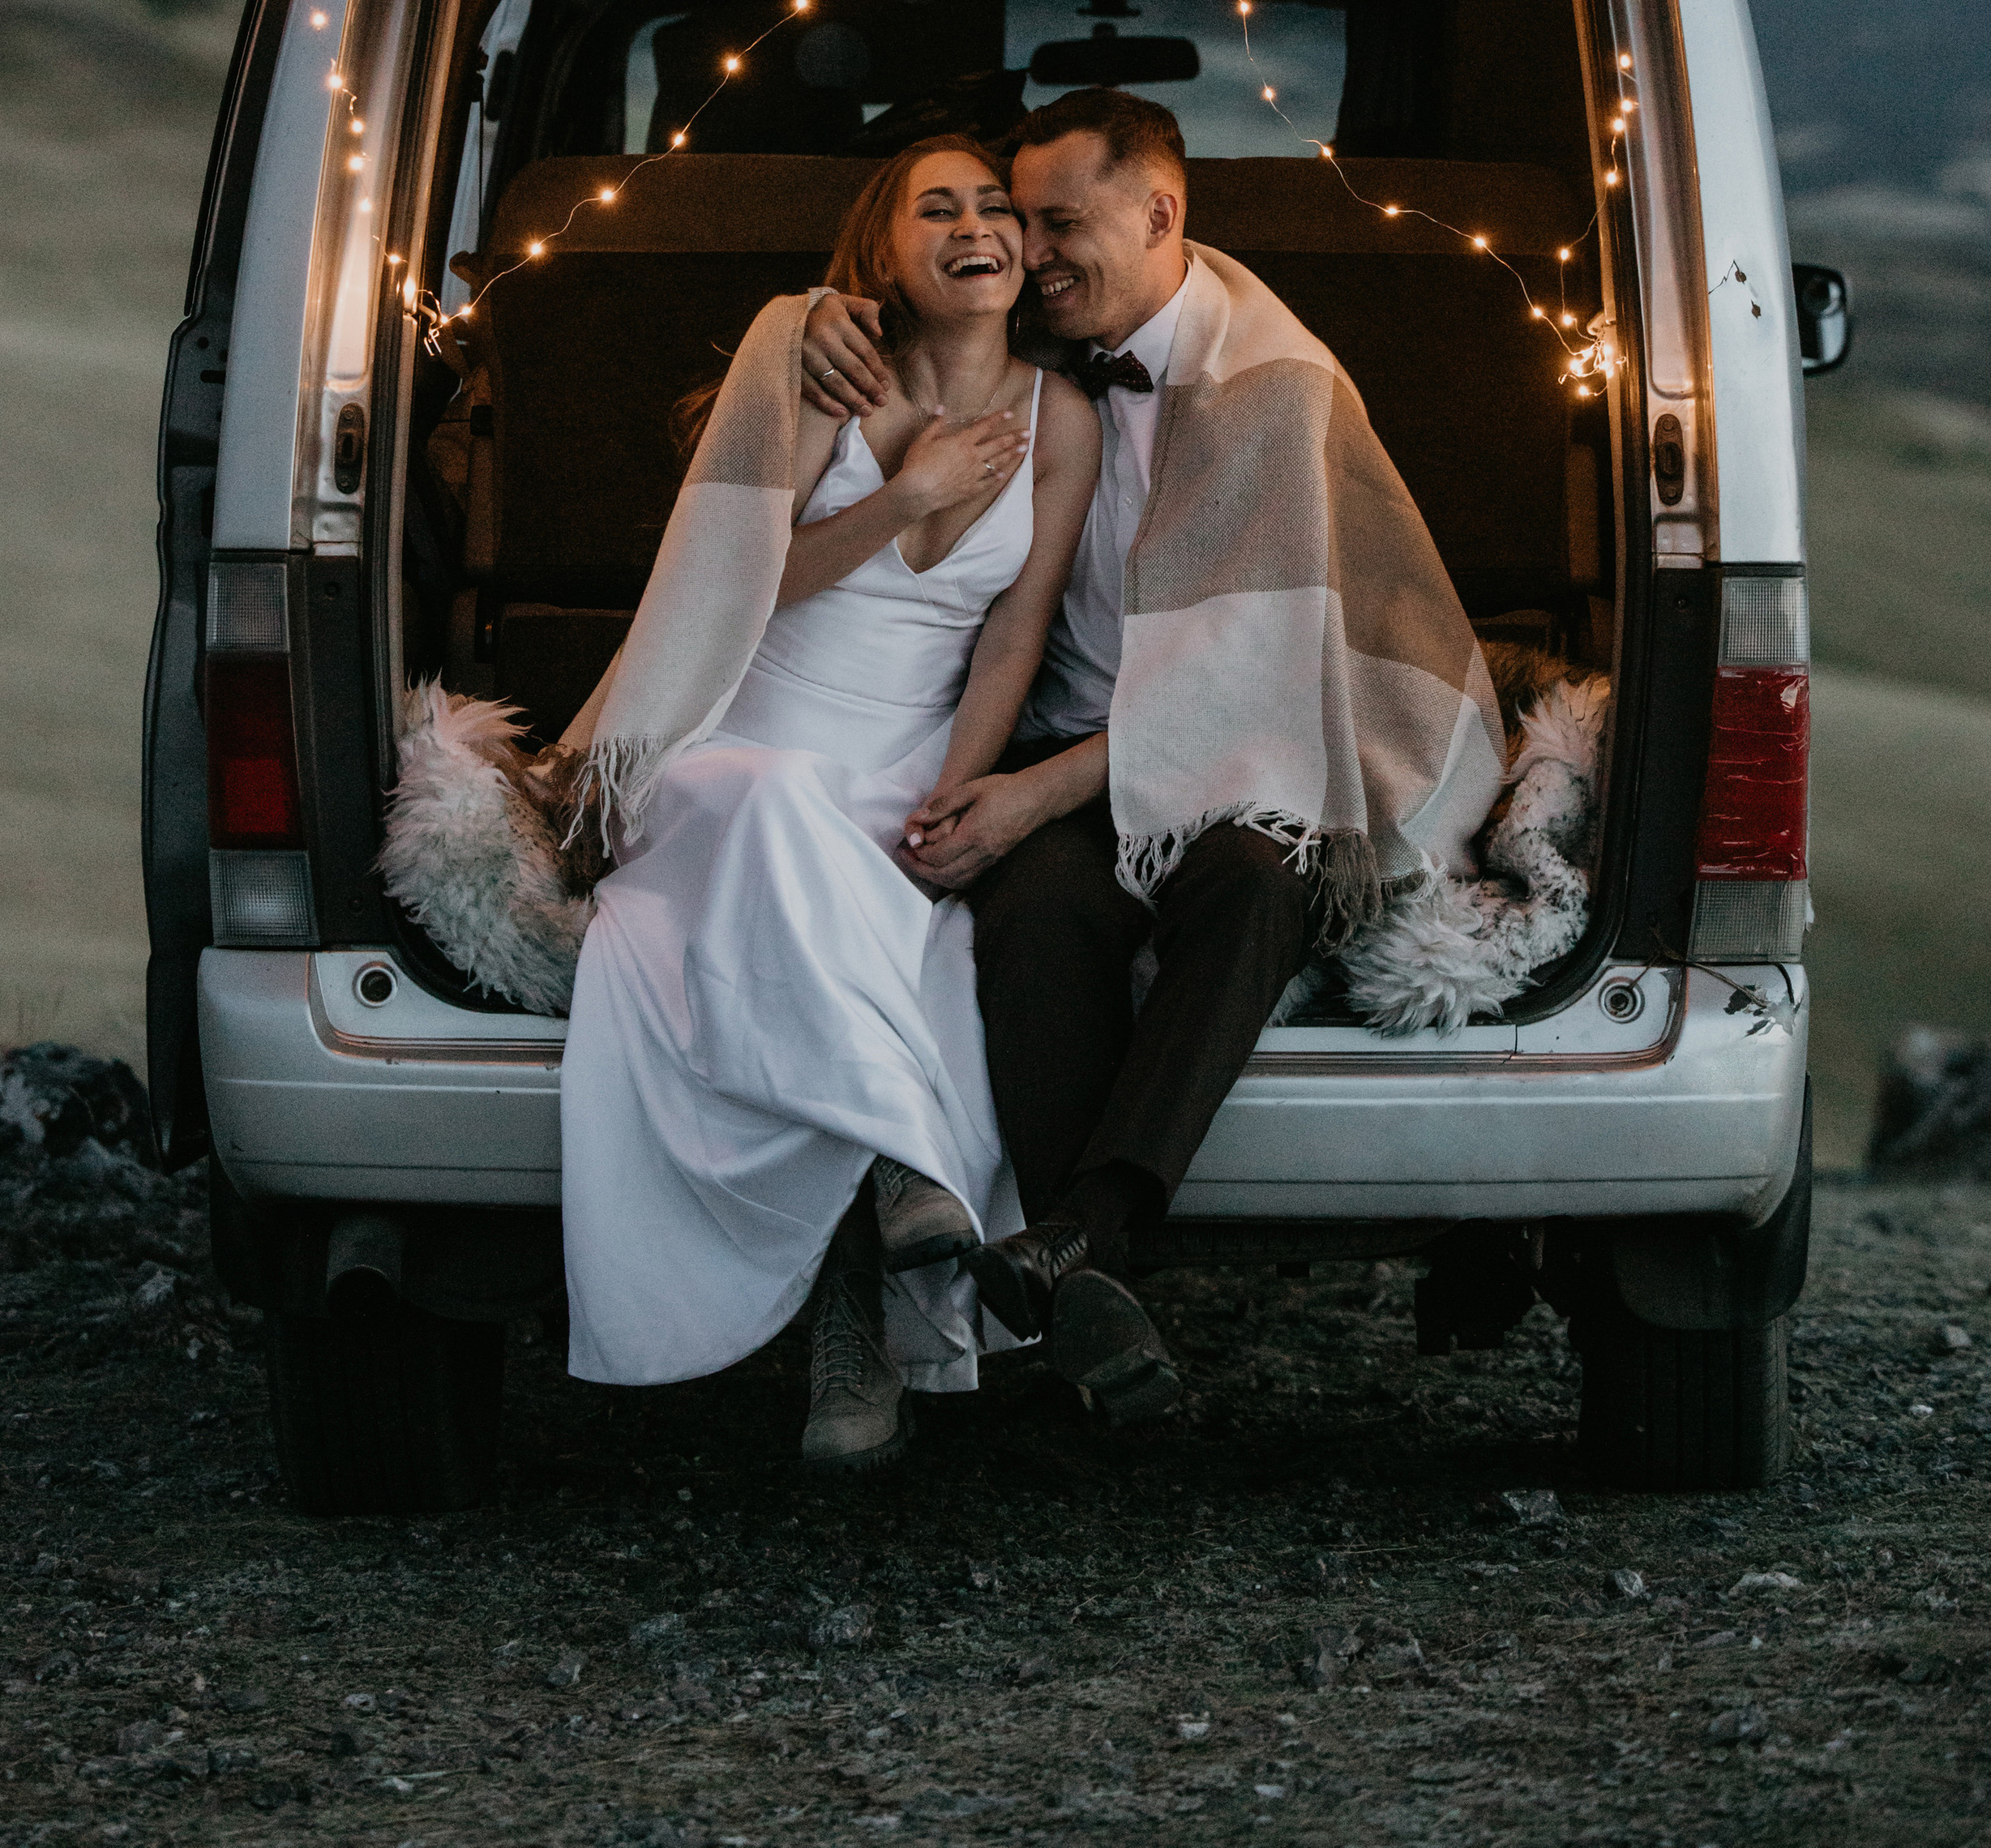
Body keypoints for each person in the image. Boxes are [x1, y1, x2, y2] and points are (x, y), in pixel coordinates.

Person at [800, 88, 1503, 1420]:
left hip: (1257, 754)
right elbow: (900, 301)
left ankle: (1081, 1236)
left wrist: (1028, 800)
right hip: (1073, 743)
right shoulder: (1028, 347)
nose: (1031, 250)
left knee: (1254, 883)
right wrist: (816, 315)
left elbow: (1254, 692)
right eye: (1021, 221)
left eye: (1060, 222)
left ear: (1160, 212)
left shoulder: (1272, 382)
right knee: (1042, 910)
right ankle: (1080, 1296)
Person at [556, 140, 1099, 1472]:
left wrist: (960, 793)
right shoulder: (821, 383)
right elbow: (735, 588)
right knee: (779, 805)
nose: (976, 226)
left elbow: (1015, 637)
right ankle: (904, 1182)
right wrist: (907, 494)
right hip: (736, 741)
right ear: (886, 254)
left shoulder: (1064, 421)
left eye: (996, 210)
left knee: (913, 934)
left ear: (1027, 254)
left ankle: (857, 1307)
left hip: (905, 754)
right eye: (939, 209)